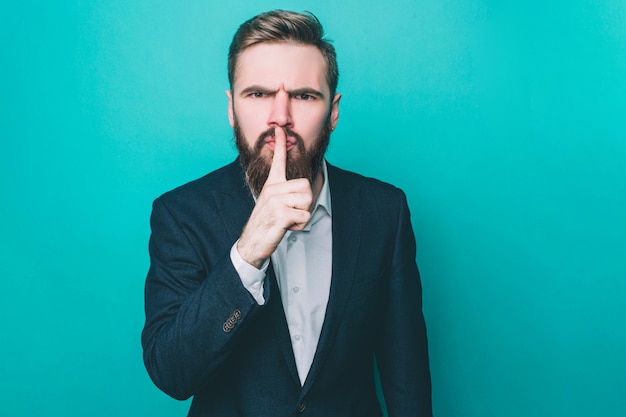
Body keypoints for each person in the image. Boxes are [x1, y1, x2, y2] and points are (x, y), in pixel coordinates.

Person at [142, 10, 432, 417]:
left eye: (303, 95)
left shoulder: (385, 211)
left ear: (333, 111)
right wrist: (247, 255)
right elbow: (172, 374)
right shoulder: (180, 214)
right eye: (258, 94)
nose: (281, 116)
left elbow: (407, 380)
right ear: (231, 109)